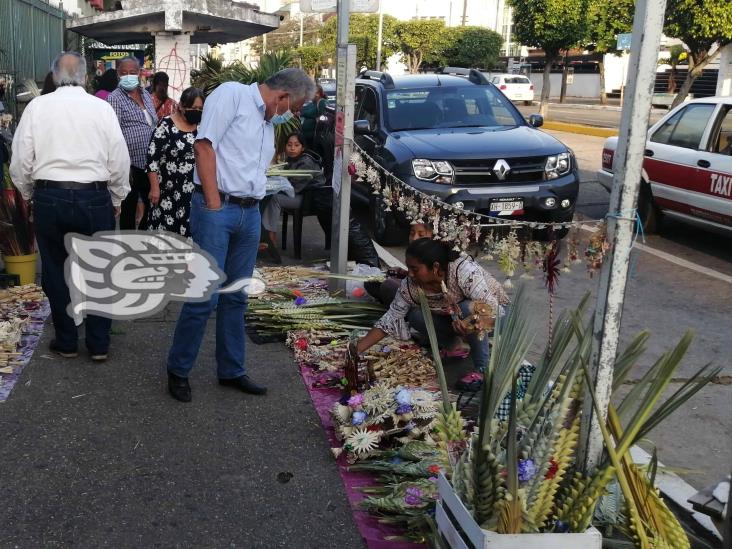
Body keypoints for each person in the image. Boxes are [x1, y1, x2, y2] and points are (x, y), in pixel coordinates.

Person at [165, 68, 316, 403]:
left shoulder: (265, 119)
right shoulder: (232, 95)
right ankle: (179, 369)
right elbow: (204, 147)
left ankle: (231, 370)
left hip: (249, 212)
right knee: (205, 296)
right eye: (294, 107)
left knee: (236, 295)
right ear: (282, 97)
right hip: (218, 209)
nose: (291, 115)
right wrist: (215, 204)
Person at [9, 52, 130, 361]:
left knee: (55, 270)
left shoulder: (37, 107)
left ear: (54, 76)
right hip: (94, 197)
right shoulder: (101, 108)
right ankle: (99, 344)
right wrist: (117, 198)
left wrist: (27, 194)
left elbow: (21, 160)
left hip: (50, 196)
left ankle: (66, 341)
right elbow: (118, 159)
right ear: (85, 77)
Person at [352, 238, 504, 381]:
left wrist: (470, 324)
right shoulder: (410, 285)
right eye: (409, 267)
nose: (410, 273)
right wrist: (356, 350)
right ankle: (453, 345)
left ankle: (482, 368)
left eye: (415, 269)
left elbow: (491, 308)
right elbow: (390, 319)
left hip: (497, 317)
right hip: (455, 320)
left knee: (467, 308)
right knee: (416, 315)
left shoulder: (462, 270)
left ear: (435, 267)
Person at [146, 86, 204, 237]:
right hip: (166, 192)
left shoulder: (202, 128)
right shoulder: (165, 125)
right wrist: (154, 188)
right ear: (181, 106)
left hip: (193, 194)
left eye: (200, 108)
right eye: (193, 108)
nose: (197, 111)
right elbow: (152, 158)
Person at [107, 56, 157, 231]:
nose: (128, 76)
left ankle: (143, 239)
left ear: (139, 73)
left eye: (132, 72)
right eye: (123, 73)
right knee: (128, 207)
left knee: (153, 204)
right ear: (118, 75)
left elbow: (153, 123)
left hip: (150, 162)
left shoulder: (146, 95)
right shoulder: (115, 98)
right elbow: (113, 131)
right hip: (129, 164)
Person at [260, 132, 325, 260]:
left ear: (303, 147)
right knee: (265, 197)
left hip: (308, 199)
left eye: (296, 145)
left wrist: (278, 178)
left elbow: (294, 188)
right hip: (300, 194)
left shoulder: (306, 162)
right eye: (289, 145)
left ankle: (271, 236)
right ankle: (265, 235)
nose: (292, 148)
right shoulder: (292, 159)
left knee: (274, 199)